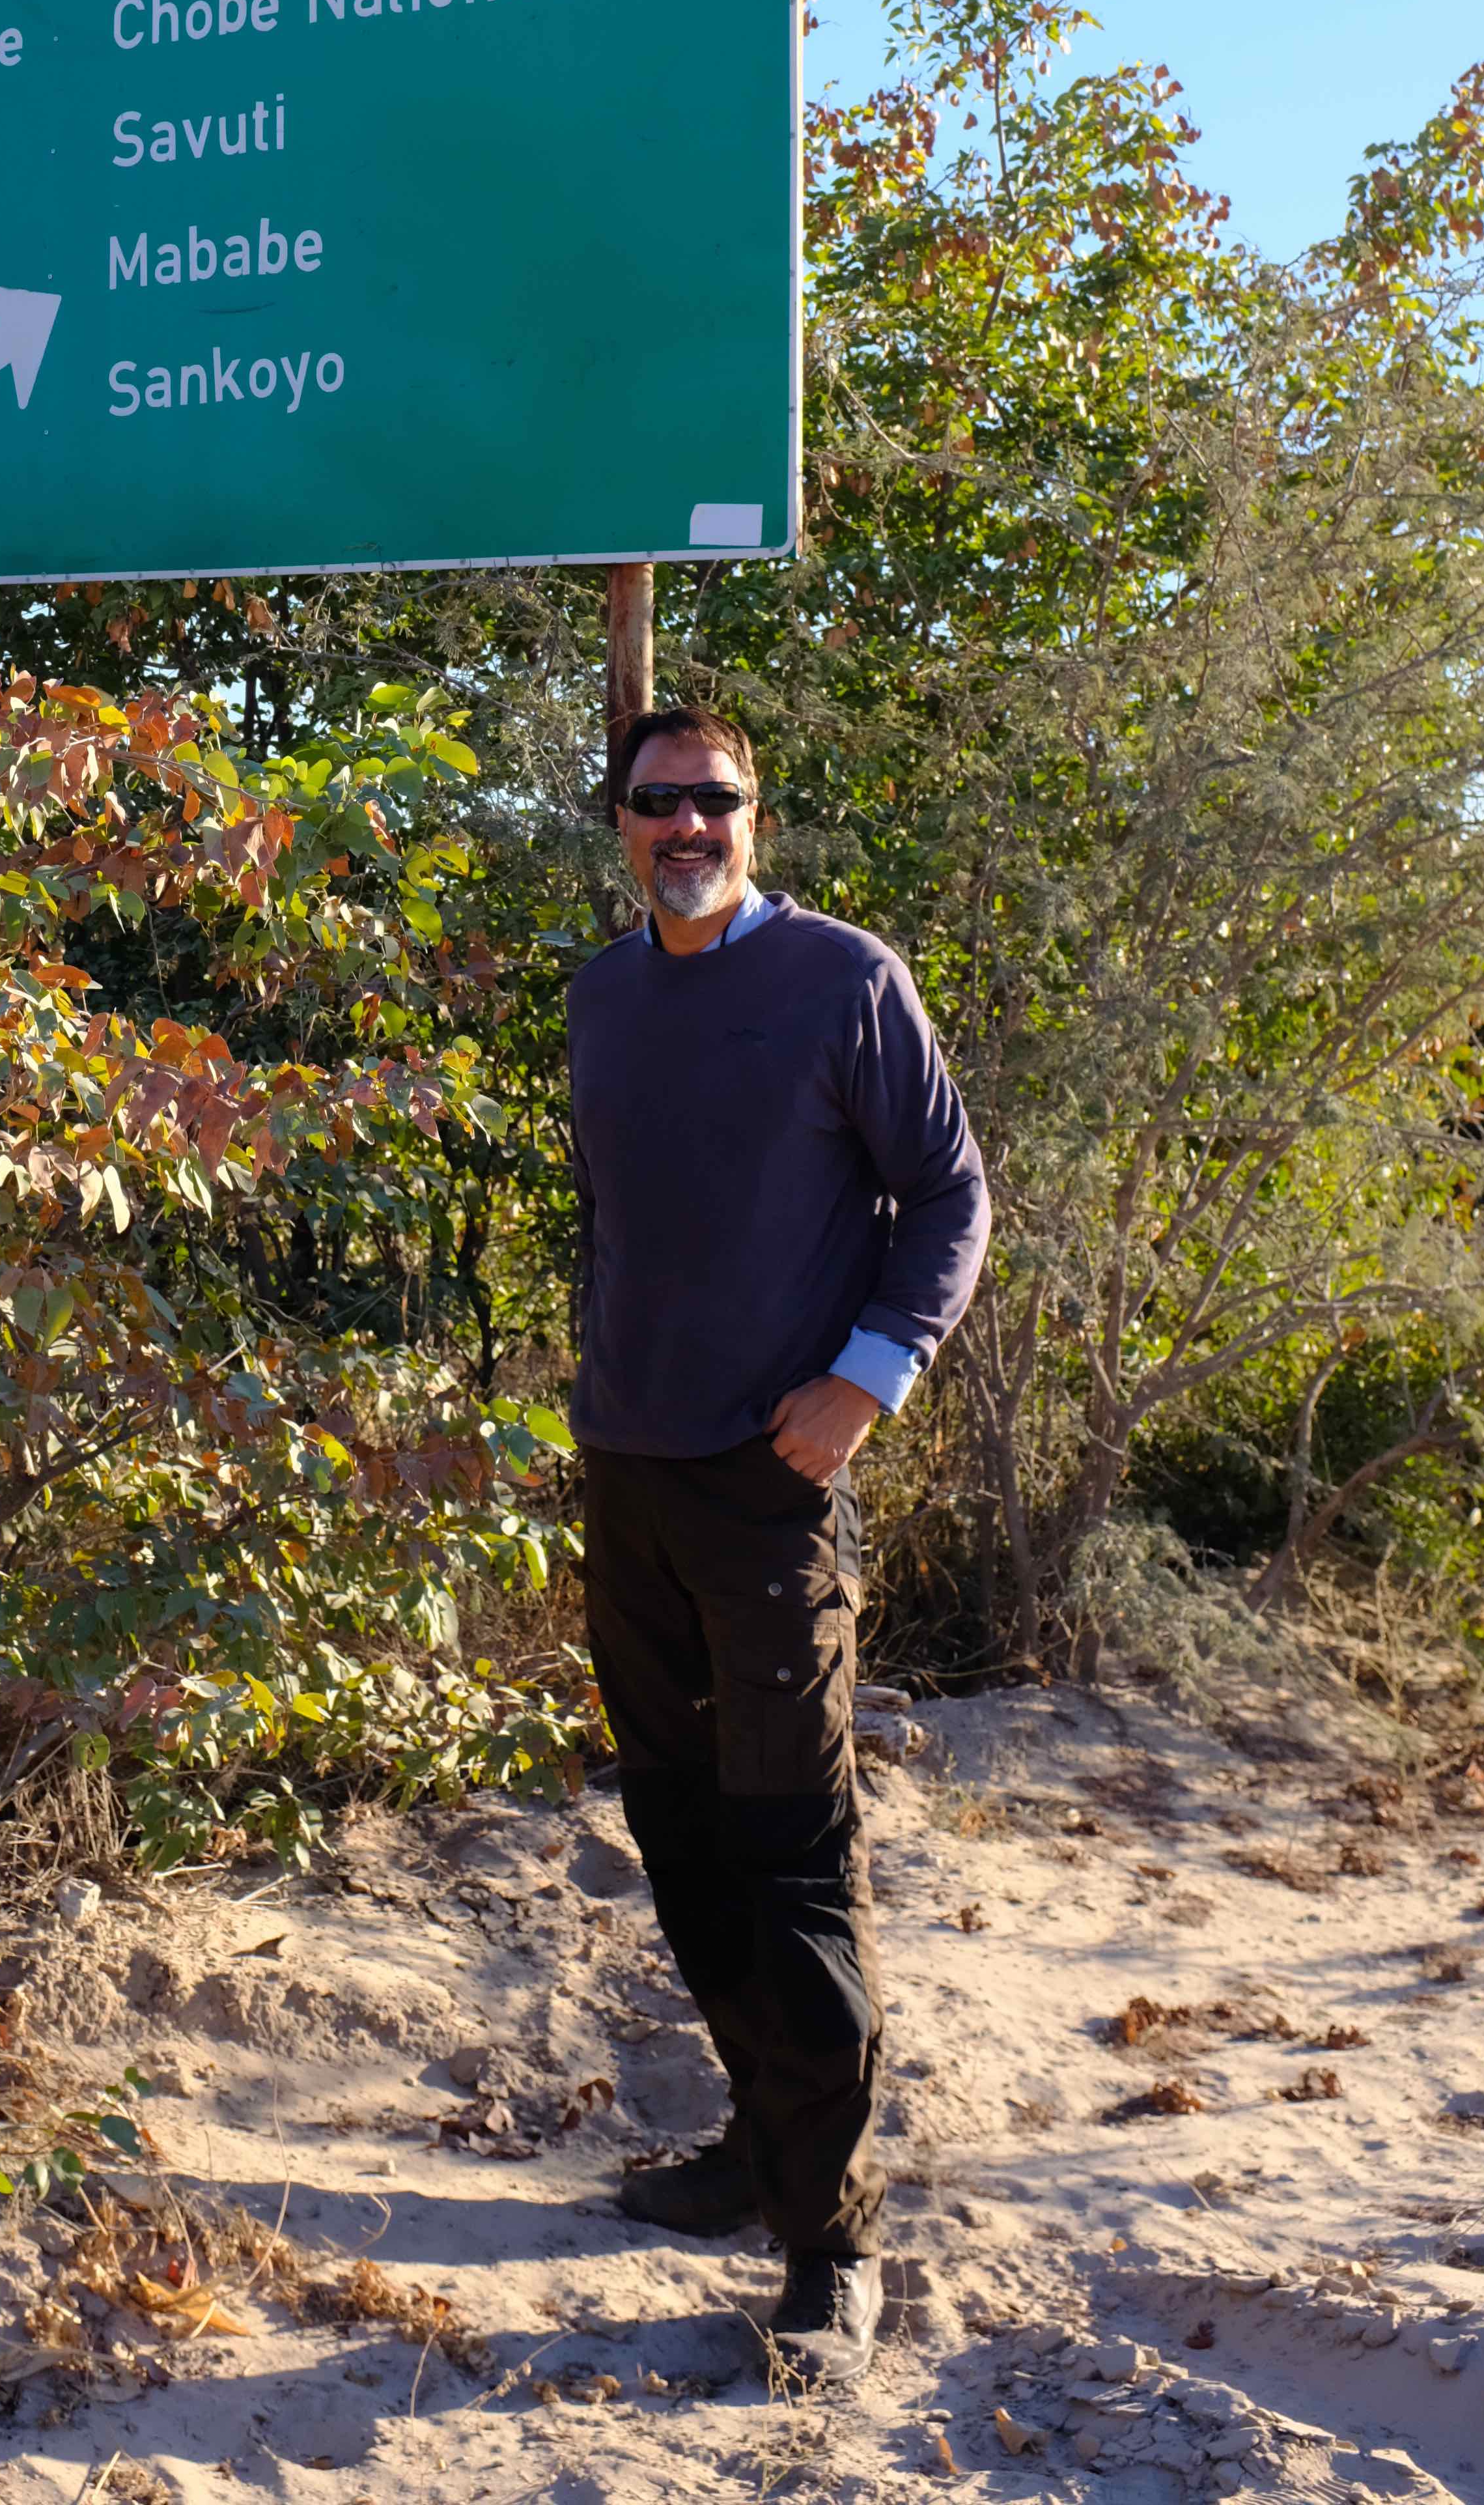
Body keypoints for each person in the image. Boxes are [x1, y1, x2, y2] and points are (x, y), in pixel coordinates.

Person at [568, 701, 990, 2390]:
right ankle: (761, 2146)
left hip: (772, 1485)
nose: (687, 826)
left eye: (715, 800)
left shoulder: (842, 981)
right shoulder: (604, 996)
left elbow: (947, 1194)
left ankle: (832, 2244)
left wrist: (866, 1379)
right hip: (630, 1474)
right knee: (681, 1837)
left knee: (794, 1851)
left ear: (755, 816)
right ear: (620, 824)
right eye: (657, 802)